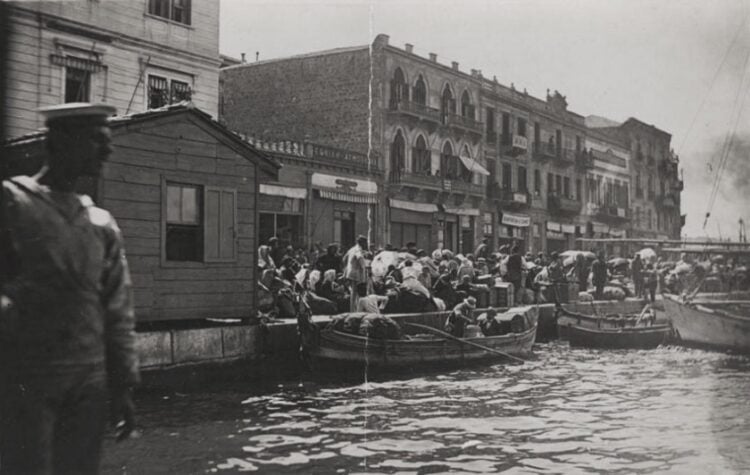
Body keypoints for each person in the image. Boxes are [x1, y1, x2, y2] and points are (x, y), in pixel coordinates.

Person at [0, 103, 139, 474]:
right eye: (98, 140)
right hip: (27, 380)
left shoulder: (100, 223)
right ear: (61, 141)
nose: (108, 150)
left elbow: (118, 310)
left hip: (88, 384)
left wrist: (123, 384)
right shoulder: (13, 203)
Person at [344, 235, 369, 312]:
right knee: (355, 292)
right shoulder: (358, 250)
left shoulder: (351, 249)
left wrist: (348, 267)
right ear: (362, 243)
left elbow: (344, 258)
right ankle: (354, 310)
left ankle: (355, 309)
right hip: (356, 272)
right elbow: (360, 260)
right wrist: (365, 268)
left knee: (353, 292)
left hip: (350, 271)